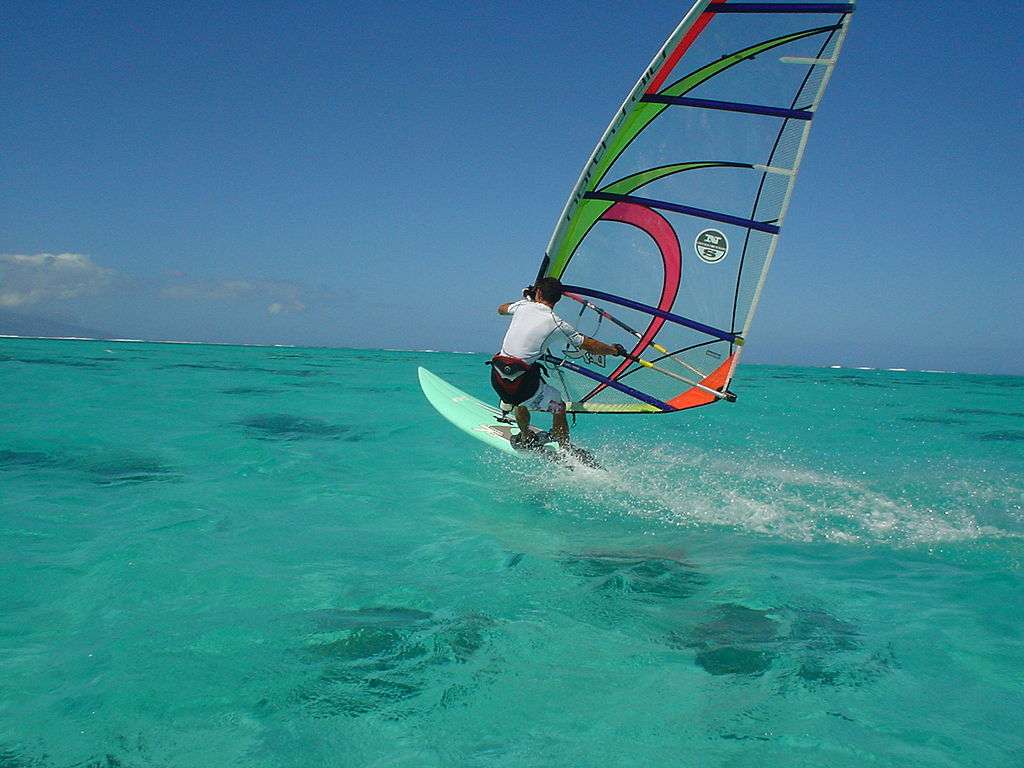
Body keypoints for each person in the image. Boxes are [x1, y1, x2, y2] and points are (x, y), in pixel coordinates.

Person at [490, 276, 625, 448]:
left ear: (538, 292)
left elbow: (501, 309)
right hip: (523, 389)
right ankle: (565, 450)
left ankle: (525, 434)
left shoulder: (522, 306)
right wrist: (613, 351)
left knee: (521, 398)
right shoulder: (557, 323)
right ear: (558, 299)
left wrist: (526, 298)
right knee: (559, 406)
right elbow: (589, 345)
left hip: (497, 380)